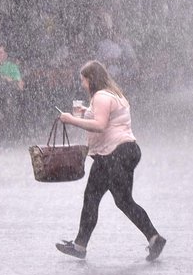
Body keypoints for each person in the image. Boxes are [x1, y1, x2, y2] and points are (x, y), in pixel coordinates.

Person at [54, 60, 166, 261]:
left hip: (114, 154)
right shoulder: (115, 95)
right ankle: (154, 238)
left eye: (83, 80)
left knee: (96, 198)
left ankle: (80, 246)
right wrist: (82, 115)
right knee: (120, 200)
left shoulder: (101, 97)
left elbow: (100, 125)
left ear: (91, 79)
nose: (82, 84)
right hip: (124, 151)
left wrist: (71, 120)